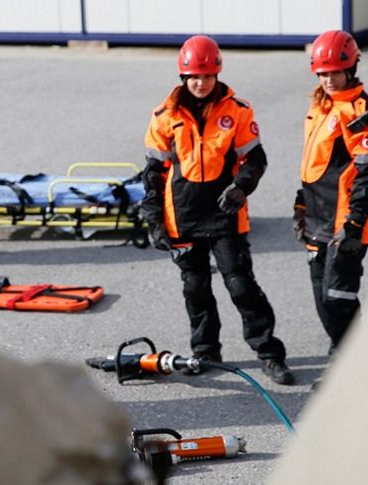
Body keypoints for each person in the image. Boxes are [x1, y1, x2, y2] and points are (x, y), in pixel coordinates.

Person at [141, 35, 294, 385]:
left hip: (225, 214)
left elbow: (255, 158)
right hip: (182, 217)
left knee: (241, 285)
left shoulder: (236, 110)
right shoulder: (165, 116)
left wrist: (241, 188)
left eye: (207, 76)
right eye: (194, 76)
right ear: (183, 76)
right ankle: (206, 352)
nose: (200, 83)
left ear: (217, 75)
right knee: (195, 287)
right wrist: (153, 220)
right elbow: (152, 173)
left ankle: (269, 353)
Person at [294, 30, 368, 357]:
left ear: (351, 69)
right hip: (318, 216)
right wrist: (302, 201)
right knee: (322, 295)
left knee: (337, 296)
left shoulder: (361, 112)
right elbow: (316, 162)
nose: (329, 79)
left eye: (335, 72)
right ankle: (345, 355)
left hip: (345, 220)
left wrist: (355, 222)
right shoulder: (321, 105)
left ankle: (354, 364)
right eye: (323, 73)